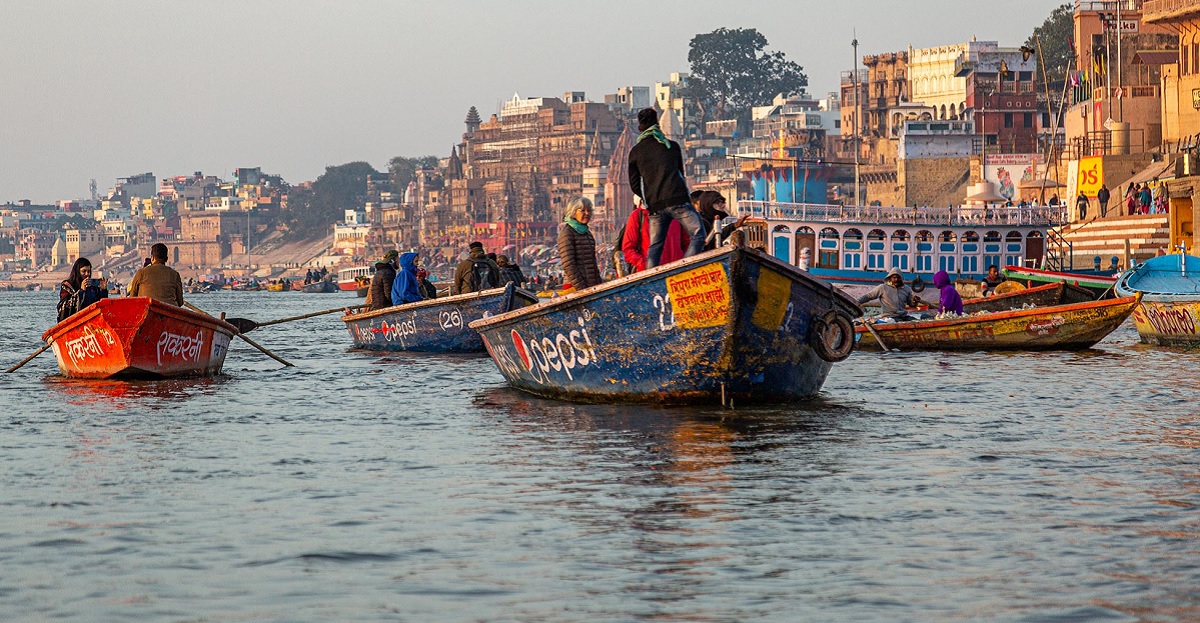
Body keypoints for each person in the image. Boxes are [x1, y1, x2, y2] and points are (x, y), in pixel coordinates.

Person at [627, 108, 705, 268]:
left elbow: (634, 185)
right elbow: (680, 175)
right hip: (678, 200)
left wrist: (649, 198)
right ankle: (684, 268)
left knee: (655, 247)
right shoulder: (672, 146)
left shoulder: (635, 152)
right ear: (657, 124)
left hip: (655, 206)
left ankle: (651, 280)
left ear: (640, 128)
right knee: (698, 235)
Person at [621, 197, 687, 272]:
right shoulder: (637, 216)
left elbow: (687, 242)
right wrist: (645, 265)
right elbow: (628, 249)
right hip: (650, 275)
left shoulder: (677, 213)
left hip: (677, 272)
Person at [557, 196, 603, 290]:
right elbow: (569, 265)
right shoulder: (567, 233)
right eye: (582, 210)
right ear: (573, 212)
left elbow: (592, 263)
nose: (587, 213)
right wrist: (581, 288)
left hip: (591, 287)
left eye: (589, 210)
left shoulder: (587, 232)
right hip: (575, 288)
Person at [57, 257, 109, 322]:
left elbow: (101, 305)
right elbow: (63, 307)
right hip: (74, 321)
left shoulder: (93, 287)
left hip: (92, 320)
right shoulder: (67, 286)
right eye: (84, 271)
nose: (87, 274)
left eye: (89, 271)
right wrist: (81, 291)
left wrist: (103, 290)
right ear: (77, 271)